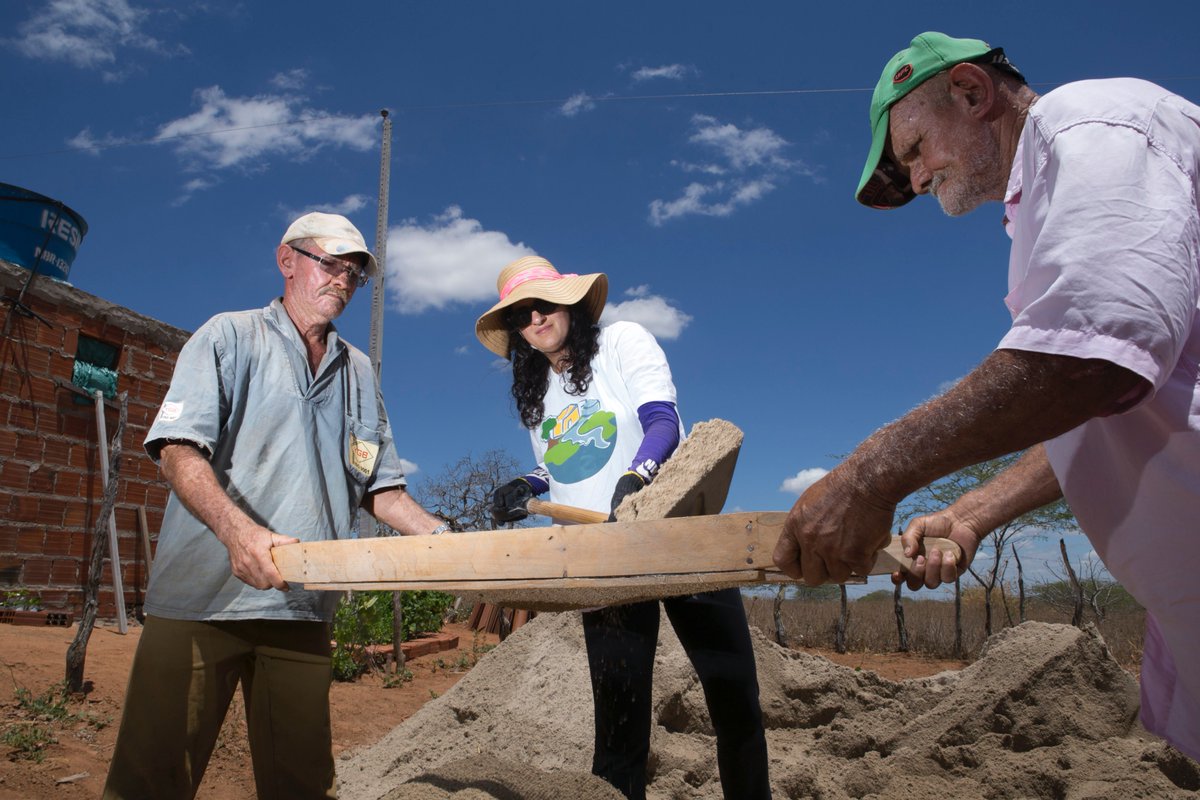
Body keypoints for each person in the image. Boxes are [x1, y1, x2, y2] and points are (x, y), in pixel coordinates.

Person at [772, 32, 1200, 761]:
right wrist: (972, 514)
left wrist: (868, 476)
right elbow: (1105, 404)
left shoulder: (1091, 122)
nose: (912, 179)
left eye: (911, 150)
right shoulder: (1038, 207)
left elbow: (1094, 361)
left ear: (971, 93)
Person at [103, 212, 449, 800]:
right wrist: (240, 534)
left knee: (301, 784)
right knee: (151, 780)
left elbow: (381, 490)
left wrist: (445, 540)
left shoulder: (360, 373)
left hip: (301, 609)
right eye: (329, 264)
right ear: (287, 260)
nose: (341, 280)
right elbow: (177, 450)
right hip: (202, 600)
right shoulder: (229, 336)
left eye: (353, 273)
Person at [478, 256, 771, 800]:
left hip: (681, 536)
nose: (536, 318)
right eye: (522, 314)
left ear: (569, 302)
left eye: (544, 303)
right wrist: (528, 484)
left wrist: (639, 479)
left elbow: (661, 420)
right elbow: (565, 466)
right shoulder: (537, 391)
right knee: (617, 729)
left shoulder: (622, 342)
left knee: (734, 701)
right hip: (607, 558)